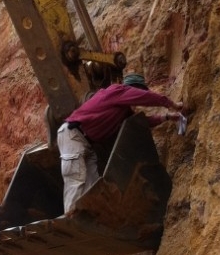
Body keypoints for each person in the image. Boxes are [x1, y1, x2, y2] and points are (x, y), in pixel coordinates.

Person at [57, 73, 184, 213]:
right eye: (137, 92)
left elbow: (141, 122)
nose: (136, 100)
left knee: (92, 185)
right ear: (132, 89)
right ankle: (69, 219)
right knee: (76, 179)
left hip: (86, 143)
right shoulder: (116, 91)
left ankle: (84, 219)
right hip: (72, 135)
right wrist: (171, 104)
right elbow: (145, 97)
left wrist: (166, 117)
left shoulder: (123, 111)